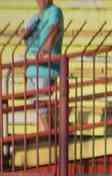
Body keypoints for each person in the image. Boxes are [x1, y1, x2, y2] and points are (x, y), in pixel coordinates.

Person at [22, 0, 64, 134]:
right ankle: (51, 132)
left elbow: (54, 29)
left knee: (41, 103)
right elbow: (27, 35)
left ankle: (48, 135)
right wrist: (24, 33)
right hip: (32, 68)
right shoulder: (36, 17)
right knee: (36, 103)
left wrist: (45, 50)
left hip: (45, 68)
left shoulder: (54, 11)